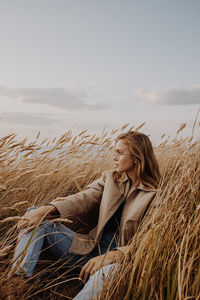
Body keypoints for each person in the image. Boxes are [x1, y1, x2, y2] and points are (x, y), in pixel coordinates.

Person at [8, 131, 161, 299]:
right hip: (88, 248)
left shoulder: (155, 194)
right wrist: (46, 210)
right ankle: (17, 284)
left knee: (99, 282)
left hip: (117, 260)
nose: (114, 158)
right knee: (33, 215)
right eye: (114, 152)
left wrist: (114, 255)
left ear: (137, 156)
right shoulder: (109, 178)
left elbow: (151, 239)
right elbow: (83, 198)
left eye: (119, 153)